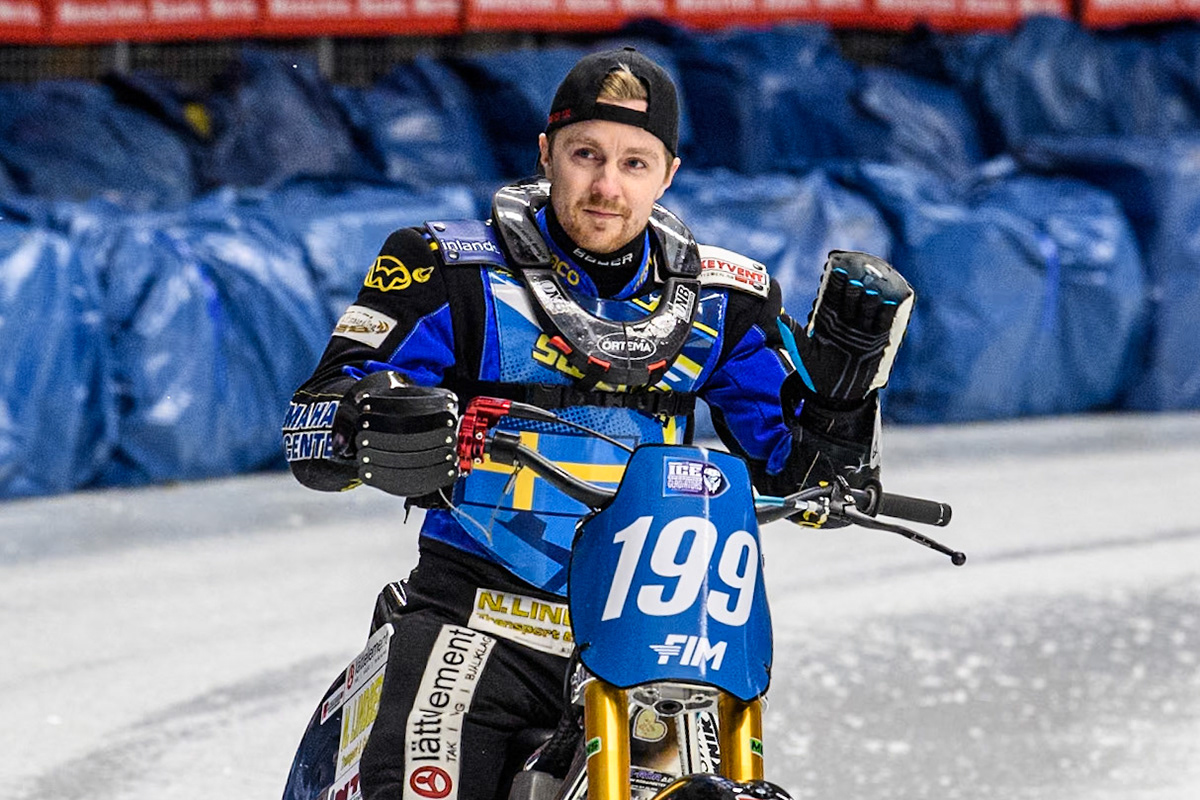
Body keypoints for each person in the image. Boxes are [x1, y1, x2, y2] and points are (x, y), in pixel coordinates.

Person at [283, 46, 913, 800]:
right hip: (474, 621)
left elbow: (800, 475)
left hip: (654, 638)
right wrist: (369, 421)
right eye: (587, 155)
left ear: (669, 173)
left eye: (635, 163)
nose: (608, 186)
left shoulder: (728, 300)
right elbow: (313, 419)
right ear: (548, 154)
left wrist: (842, 399)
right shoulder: (442, 266)